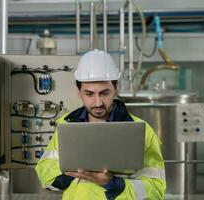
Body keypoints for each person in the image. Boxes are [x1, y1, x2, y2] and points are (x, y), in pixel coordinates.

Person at [35, 49, 166, 200]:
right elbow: (46, 176)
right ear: (79, 91)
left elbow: (156, 191)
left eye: (104, 93)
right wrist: (78, 171)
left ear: (116, 88)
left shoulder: (143, 131)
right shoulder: (66, 126)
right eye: (89, 94)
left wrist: (111, 183)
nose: (97, 103)